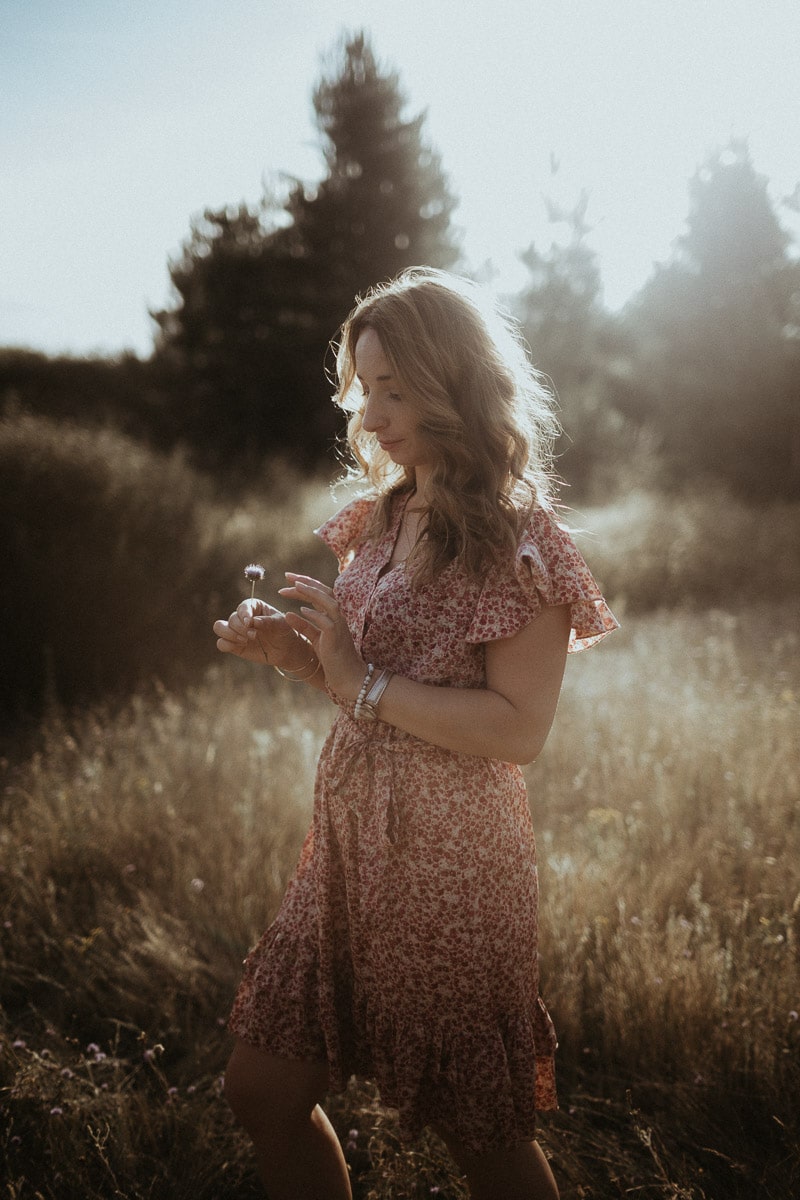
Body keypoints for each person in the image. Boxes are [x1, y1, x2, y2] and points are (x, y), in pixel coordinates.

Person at [213, 267, 618, 1200]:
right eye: (365, 385)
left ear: (457, 378)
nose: (374, 409)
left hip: (450, 865)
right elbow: (358, 680)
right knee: (262, 1089)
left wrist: (360, 680)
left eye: (397, 385)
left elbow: (519, 730)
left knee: (480, 1135)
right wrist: (295, 655)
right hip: (346, 850)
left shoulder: (522, 541)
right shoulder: (381, 516)